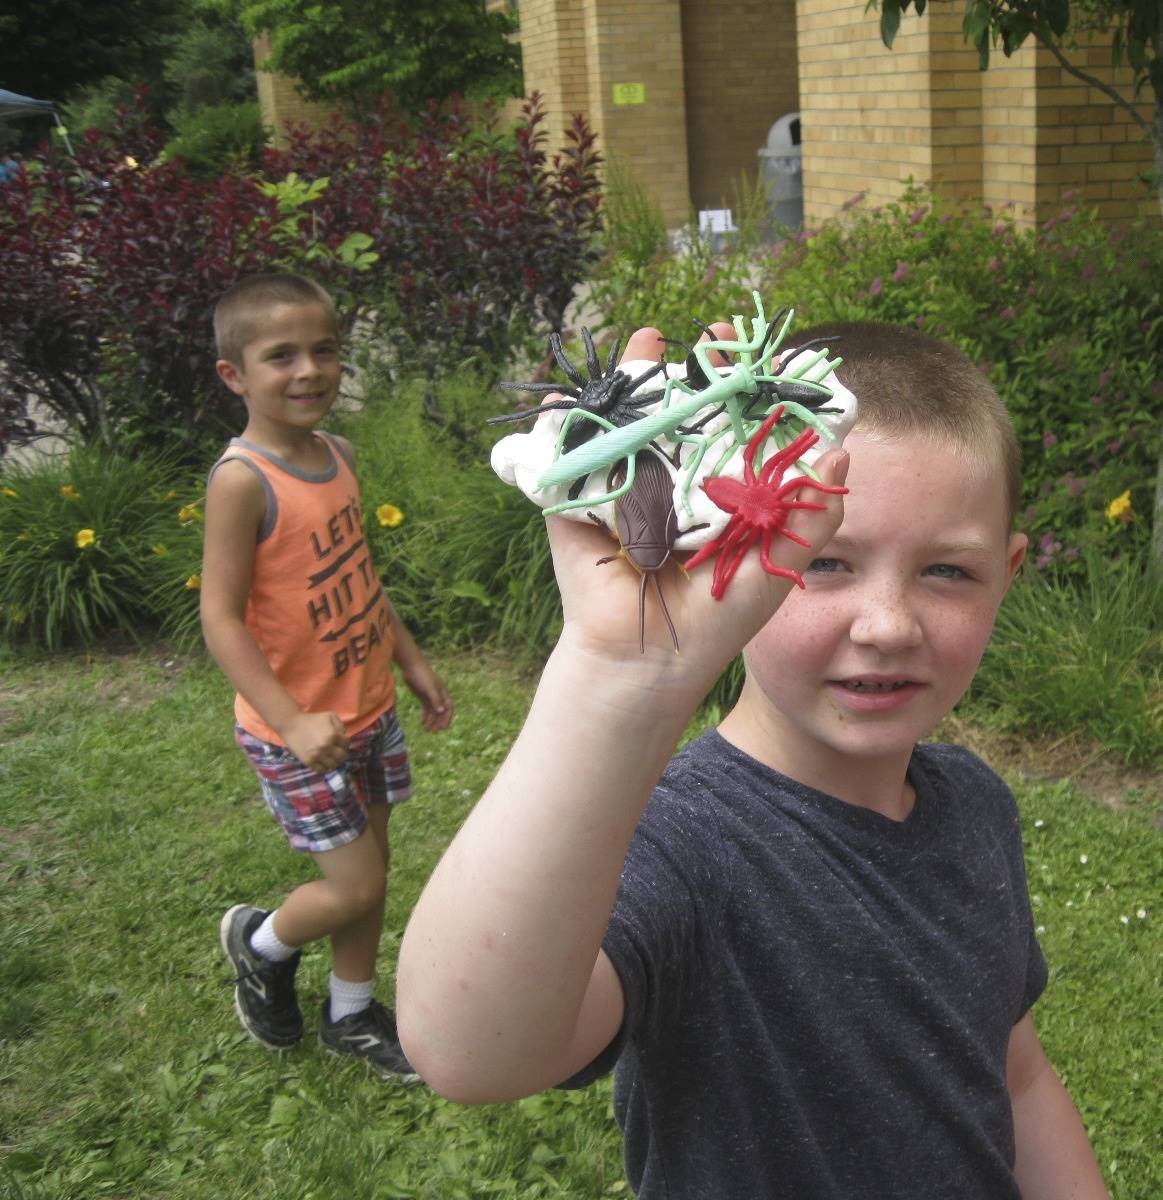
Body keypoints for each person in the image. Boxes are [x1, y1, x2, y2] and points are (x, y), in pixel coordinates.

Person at [395, 319, 1109, 1196]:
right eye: (826, 561)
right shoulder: (681, 844)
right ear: (716, 544)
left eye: (947, 573)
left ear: (1005, 574)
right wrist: (616, 673)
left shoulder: (975, 804)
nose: (887, 625)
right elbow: (470, 1053)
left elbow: (1015, 1073)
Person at [201, 272, 453, 1080]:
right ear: (234, 375)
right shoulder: (242, 482)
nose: (308, 370)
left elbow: (357, 575)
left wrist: (408, 658)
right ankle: (261, 941)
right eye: (281, 356)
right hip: (296, 731)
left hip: (365, 710)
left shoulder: (336, 456)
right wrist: (290, 716)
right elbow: (222, 618)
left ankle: (350, 1014)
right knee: (350, 886)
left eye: (324, 349)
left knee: (372, 873)